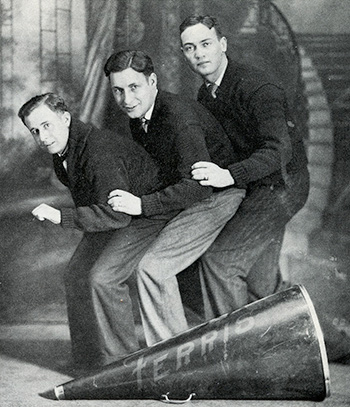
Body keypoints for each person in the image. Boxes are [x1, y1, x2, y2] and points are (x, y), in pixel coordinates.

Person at [18, 93, 176, 371]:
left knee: (103, 278)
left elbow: (117, 214)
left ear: (65, 118)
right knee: (75, 274)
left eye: (46, 125)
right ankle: (89, 362)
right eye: (35, 131)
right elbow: (100, 206)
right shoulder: (64, 148)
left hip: (147, 214)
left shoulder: (97, 150)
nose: (42, 137)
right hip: (114, 216)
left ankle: (122, 366)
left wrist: (60, 216)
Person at [104, 50, 246, 345]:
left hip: (218, 196)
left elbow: (198, 187)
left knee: (152, 269)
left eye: (134, 87)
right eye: (118, 90)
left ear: (152, 81)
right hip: (186, 197)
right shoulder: (141, 115)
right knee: (136, 260)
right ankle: (178, 349)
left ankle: (175, 360)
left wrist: (142, 205)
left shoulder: (178, 117)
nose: (126, 99)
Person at [179, 15, 310, 319]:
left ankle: (239, 355)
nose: (199, 53)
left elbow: (278, 151)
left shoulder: (256, 86)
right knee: (262, 286)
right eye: (189, 47)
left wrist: (228, 175)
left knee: (220, 264)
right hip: (254, 186)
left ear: (223, 45)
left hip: (282, 185)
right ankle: (338, 344)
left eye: (206, 44)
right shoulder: (206, 94)